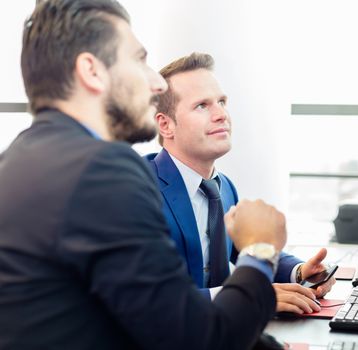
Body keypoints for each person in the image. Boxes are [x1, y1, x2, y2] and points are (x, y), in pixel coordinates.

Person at [0, 1, 287, 349]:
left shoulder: (17, 160)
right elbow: (201, 340)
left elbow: (137, 319)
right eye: (138, 59)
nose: (156, 83)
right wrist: (260, 250)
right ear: (92, 71)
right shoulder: (103, 170)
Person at [145, 53, 336, 315]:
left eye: (222, 102)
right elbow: (149, 299)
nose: (221, 114)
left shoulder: (223, 188)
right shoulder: (139, 189)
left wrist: (300, 271)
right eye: (202, 105)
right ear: (166, 125)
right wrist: (252, 296)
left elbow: (245, 249)